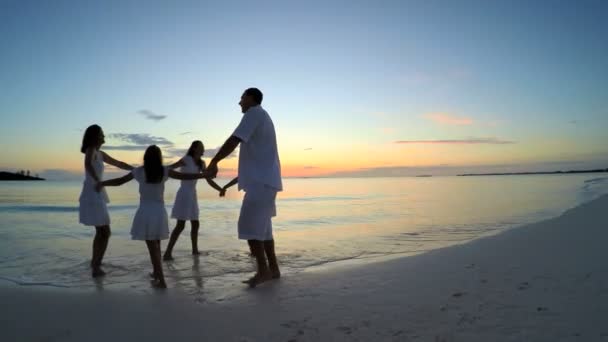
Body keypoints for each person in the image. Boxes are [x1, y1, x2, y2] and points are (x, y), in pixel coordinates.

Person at [96, 145, 212, 289]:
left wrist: (103, 183)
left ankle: (161, 280)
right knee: (156, 245)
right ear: (159, 158)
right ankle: (157, 273)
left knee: (153, 248)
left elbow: (120, 181)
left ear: (145, 157)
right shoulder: (164, 171)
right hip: (159, 212)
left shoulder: (139, 171)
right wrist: (203, 175)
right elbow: (185, 176)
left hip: (145, 212)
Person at [207, 88, 283, 287]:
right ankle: (273, 269)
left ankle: (263, 271)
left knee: (249, 228)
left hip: (261, 182)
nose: (239, 102)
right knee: (264, 232)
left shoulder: (254, 113)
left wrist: (214, 161)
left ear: (251, 98)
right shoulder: (263, 116)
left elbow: (234, 140)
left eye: (242, 98)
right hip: (267, 181)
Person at [78, 124, 133, 278]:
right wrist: (97, 180)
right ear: (95, 136)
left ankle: (96, 262)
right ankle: (96, 266)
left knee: (103, 231)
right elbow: (87, 164)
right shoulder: (90, 150)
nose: (104, 136)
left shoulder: (101, 154)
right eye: (101, 134)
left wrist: (135, 170)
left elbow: (119, 163)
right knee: (104, 231)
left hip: (98, 191)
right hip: (93, 191)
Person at [163, 140, 223, 261]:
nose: (203, 149)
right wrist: (158, 169)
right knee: (180, 225)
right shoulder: (186, 159)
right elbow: (171, 168)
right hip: (184, 194)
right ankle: (168, 252)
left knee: (195, 223)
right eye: (201, 147)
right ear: (194, 149)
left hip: (192, 194)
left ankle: (194, 250)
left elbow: (208, 178)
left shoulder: (201, 163)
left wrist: (219, 188)